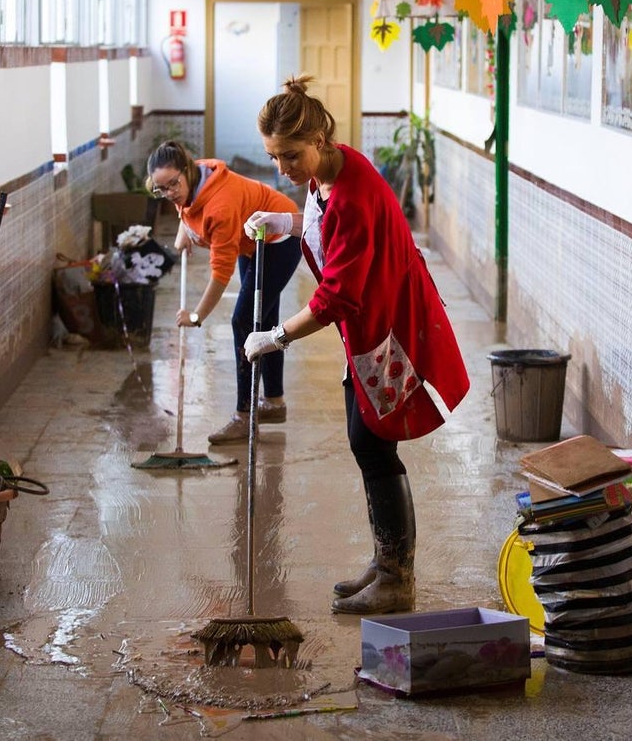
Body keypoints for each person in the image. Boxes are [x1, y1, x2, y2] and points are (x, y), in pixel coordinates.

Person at [242, 75, 470, 615]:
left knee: (372, 440)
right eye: (275, 158)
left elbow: (336, 299)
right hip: (366, 327)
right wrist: (286, 221)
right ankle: (385, 561)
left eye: (290, 157)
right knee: (364, 438)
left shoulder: (355, 194)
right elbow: (328, 227)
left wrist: (275, 336)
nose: (283, 170)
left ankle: (397, 577)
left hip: (386, 327)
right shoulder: (332, 167)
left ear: (319, 139)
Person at [146, 140, 302, 444]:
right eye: (160, 189)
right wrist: (185, 230)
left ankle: (244, 418)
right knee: (262, 319)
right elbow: (185, 205)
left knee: (243, 322)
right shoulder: (190, 179)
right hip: (251, 238)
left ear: (187, 171)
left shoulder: (220, 206)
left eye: (173, 184)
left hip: (279, 239)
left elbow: (220, 274)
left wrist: (196, 315)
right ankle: (274, 403)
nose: (169, 193)